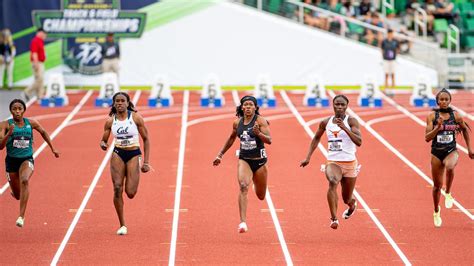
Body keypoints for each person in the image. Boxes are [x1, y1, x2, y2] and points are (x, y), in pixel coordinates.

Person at [300, 95, 362, 229]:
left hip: (350, 163)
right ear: (333, 105)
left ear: (346, 106)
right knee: (333, 181)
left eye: (342, 105)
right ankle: (334, 218)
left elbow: (359, 142)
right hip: (333, 161)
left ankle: (352, 205)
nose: (339, 107)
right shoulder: (325, 122)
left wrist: (345, 128)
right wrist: (308, 157)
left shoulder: (352, 121)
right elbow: (316, 138)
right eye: (337, 104)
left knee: (346, 198)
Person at [213, 95, 272, 233]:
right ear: (242, 107)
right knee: (243, 186)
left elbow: (269, 140)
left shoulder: (261, 121)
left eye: (251, 105)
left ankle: (256, 183)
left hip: (260, 161)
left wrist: (258, 134)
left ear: (255, 108)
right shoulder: (237, 123)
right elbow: (231, 138)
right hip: (244, 159)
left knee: (261, 196)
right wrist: (220, 155)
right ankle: (243, 222)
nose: (248, 107)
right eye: (245, 105)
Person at [0, 99, 59, 227]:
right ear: (11, 111)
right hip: (11, 162)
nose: (17, 111)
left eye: (19, 109)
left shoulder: (31, 123)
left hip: (27, 159)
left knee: (25, 180)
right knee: (17, 196)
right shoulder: (4, 125)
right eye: (14, 109)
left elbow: (43, 132)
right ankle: (15, 193)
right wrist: (9, 133)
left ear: (24, 110)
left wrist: (52, 148)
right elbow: (0, 146)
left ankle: (21, 217)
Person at [100, 92, 150, 235]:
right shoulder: (110, 121)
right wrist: (103, 143)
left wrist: (146, 162)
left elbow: (146, 139)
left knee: (130, 193)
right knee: (117, 187)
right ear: (114, 104)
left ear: (128, 103)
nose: (120, 103)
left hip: (133, 153)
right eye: (117, 101)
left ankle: (130, 174)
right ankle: (122, 224)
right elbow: (104, 139)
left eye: (123, 101)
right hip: (118, 153)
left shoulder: (135, 118)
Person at [424, 88, 473, 227]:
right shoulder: (432, 116)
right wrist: (437, 128)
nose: (444, 102)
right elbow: (427, 138)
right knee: (436, 186)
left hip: (451, 150)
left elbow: (464, 129)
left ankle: (449, 192)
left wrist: (469, 148)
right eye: (442, 99)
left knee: (451, 166)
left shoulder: (456, 116)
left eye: (446, 99)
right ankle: (436, 210)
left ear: (450, 101)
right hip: (436, 152)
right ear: (437, 101)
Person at [23, 28, 47, 101]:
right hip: (37, 62)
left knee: (40, 80)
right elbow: (34, 53)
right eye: (44, 34)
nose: (45, 36)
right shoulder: (35, 41)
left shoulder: (40, 41)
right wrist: (36, 64)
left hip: (41, 62)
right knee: (39, 79)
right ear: (40, 33)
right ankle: (27, 91)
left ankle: (40, 95)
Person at [381, 29, 399, 96]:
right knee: (386, 74)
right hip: (386, 59)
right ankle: (386, 88)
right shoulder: (384, 41)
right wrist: (383, 57)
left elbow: (397, 49)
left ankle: (393, 89)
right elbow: (382, 49)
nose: (390, 35)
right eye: (389, 33)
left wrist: (395, 56)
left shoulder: (395, 41)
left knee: (393, 74)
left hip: (393, 60)